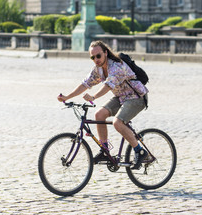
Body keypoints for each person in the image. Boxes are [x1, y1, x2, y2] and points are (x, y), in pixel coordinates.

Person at [57, 40, 149, 169]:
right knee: (99, 114)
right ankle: (104, 150)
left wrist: (93, 97)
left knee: (118, 122)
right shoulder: (98, 69)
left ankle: (140, 151)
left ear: (105, 53)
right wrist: (67, 96)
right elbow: (85, 84)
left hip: (137, 97)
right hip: (121, 97)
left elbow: (107, 86)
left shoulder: (116, 66)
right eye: (92, 57)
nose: (96, 59)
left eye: (98, 56)